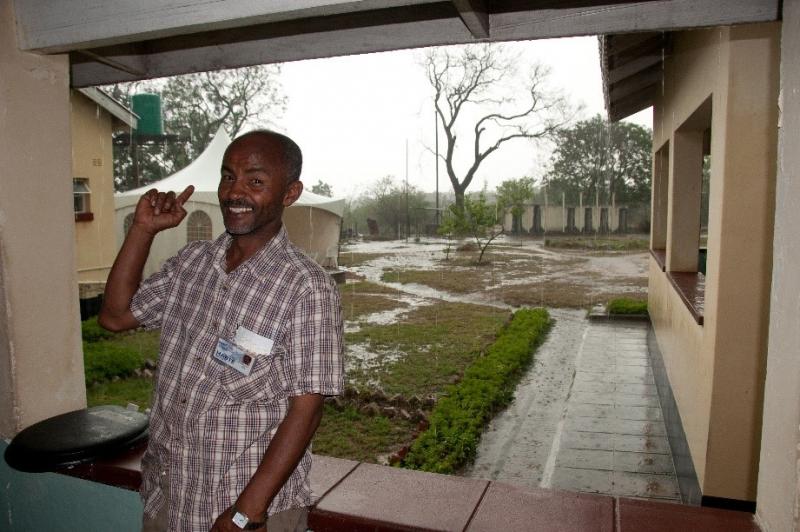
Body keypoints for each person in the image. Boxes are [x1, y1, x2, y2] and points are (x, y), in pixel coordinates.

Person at [99, 130, 344, 532]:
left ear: (290, 192)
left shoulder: (306, 287)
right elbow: (116, 316)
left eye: (255, 181)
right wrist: (143, 229)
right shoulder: (192, 264)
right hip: (168, 495)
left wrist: (247, 512)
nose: (235, 192)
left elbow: (307, 409)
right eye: (228, 176)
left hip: (240, 512)